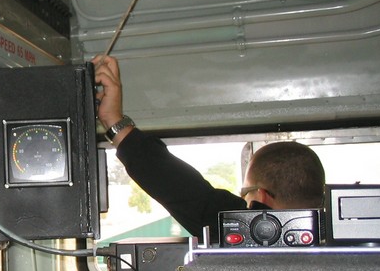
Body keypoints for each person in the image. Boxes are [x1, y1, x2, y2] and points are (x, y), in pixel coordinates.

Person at [92, 55, 326, 242]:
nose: (243, 202)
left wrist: (113, 120)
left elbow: (180, 189)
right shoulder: (344, 240)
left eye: (245, 195)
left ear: (261, 199)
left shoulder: (246, 229)